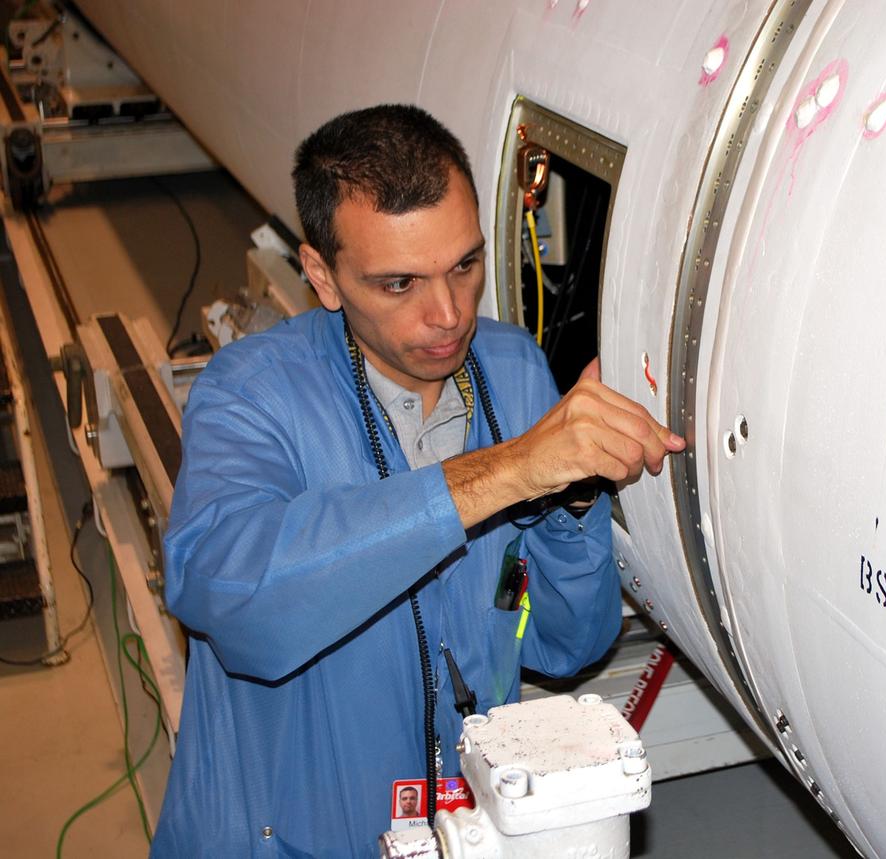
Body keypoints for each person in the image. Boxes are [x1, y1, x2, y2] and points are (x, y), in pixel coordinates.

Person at [150, 104, 684, 857]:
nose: (449, 315)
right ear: (321, 277)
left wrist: (572, 497)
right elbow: (236, 600)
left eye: (464, 265)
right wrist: (505, 471)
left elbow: (568, 644)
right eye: (399, 282)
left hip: (462, 829)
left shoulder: (512, 370)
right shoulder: (249, 393)